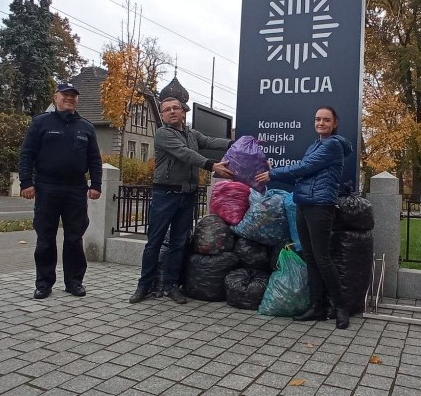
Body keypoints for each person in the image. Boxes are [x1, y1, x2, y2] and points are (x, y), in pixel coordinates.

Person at [255, 106, 353, 329]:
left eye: (326, 120)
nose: (321, 123)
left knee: (322, 258)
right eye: (318, 119)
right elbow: (304, 177)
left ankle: (340, 307)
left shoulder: (333, 145)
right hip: (303, 205)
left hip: (320, 206)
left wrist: (274, 173)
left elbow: (305, 167)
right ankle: (316, 307)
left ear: (335, 123)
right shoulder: (314, 146)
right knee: (310, 257)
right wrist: (274, 174)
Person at [129, 97, 234, 304]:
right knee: (154, 242)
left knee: (179, 243)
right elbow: (184, 154)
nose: (172, 112)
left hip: (187, 195)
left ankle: (171, 286)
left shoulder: (192, 134)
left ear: (183, 111)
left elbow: (211, 142)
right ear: (162, 115)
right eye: (167, 110)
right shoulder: (162, 134)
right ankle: (144, 286)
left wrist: (236, 142)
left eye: (175, 108)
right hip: (165, 195)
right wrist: (211, 165)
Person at [19, 82, 102, 300]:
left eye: (73, 96)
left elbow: (95, 159)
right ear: (56, 97)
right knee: (45, 237)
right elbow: (27, 154)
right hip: (46, 187)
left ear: (77, 100)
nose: (69, 98)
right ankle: (44, 283)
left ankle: (74, 282)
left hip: (76, 188)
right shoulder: (41, 123)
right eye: (65, 95)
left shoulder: (86, 127)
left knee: (75, 237)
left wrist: (96, 185)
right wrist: (26, 182)